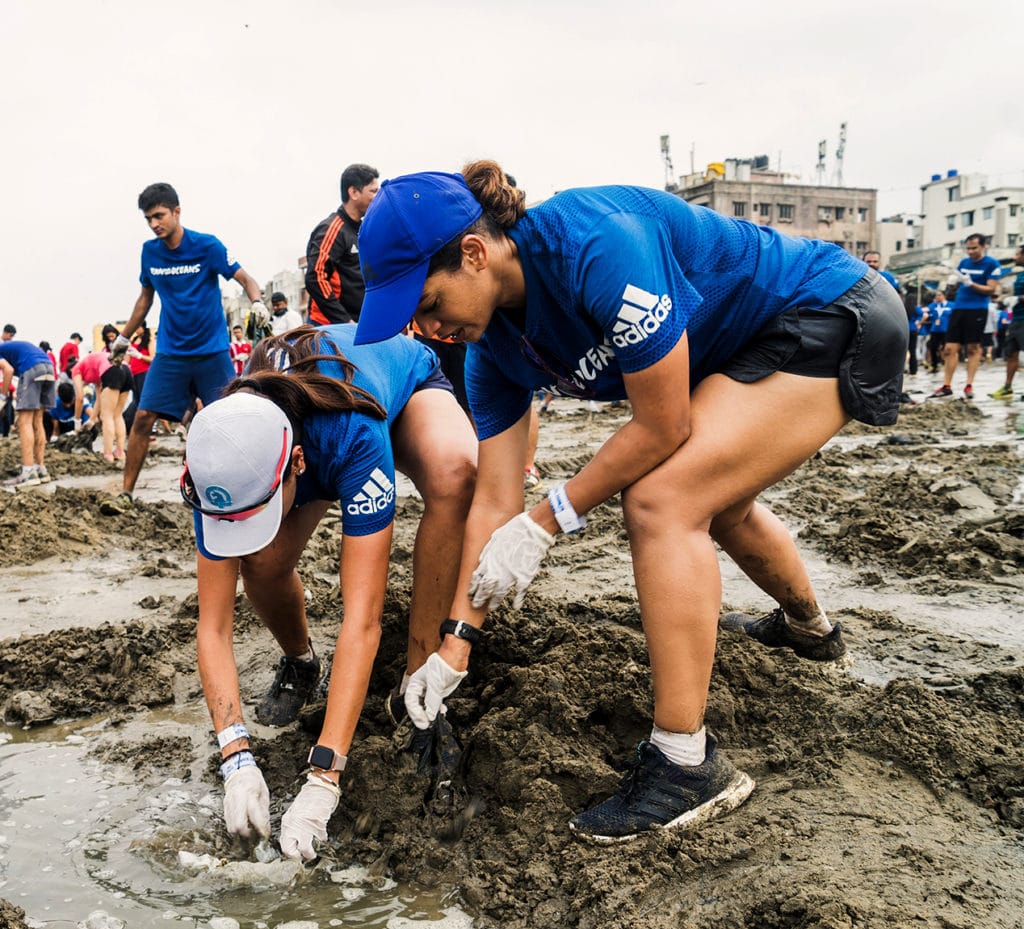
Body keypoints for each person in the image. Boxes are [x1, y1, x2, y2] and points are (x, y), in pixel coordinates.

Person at [353, 162, 907, 843]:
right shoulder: (493, 351)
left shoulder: (597, 242)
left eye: (429, 304)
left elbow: (663, 422)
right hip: (739, 350)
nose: (427, 326)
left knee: (661, 500)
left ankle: (685, 764)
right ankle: (810, 633)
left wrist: (550, 517)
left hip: (829, 311)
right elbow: (495, 499)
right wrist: (454, 645)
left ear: (474, 253)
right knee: (718, 501)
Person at [182, 324, 475, 859]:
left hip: (395, 389)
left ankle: (417, 682)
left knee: (455, 473)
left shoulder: (352, 436)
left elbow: (361, 618)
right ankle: (299, 662)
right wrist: (235, 756)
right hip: (294, 435)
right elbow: (213, 625)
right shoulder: (219, 456)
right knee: (264, 562)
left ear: (298, 466)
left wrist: (324, 777)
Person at [99, 182, 267, 514]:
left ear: (177, 211)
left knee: (231, 420)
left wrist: (258, 303)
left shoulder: (207, 246)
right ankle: (126, 493)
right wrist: (123, 338)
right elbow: (145, 300)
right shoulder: (150, 252)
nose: (154, 224)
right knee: (144, 416)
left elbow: (245, 279)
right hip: (171, 353)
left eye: (159, 215)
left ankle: (251, 490)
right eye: (148, 219)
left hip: (212, 351)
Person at [929, 234, 1003, 399]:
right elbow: (955, 283)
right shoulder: (964, 263)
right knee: (949, 348)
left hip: (978, 309)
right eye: (968, 248)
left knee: (973, 348)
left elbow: (991, 289)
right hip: (959, 307)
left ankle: (969, 385)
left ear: (983, 246)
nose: (970, 252)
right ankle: (947, 385)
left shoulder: (992, 264)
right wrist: (953, 282)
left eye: (974, 248)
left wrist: (972, 284)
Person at [305, 164, 380, 325]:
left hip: (359, 324)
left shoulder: (363, 230)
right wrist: (344, 321)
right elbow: (315, 277)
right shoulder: (331, 229)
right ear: (353, 192)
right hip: (330, 327)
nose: (378, 197)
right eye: (373, 191)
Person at [0, 339, 57, 486]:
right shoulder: (8, 348)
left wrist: (2, 396)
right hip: (49, 368)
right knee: (37, 421)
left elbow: (8, 370)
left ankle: (28, 473)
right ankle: (40, 469)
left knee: (24, 422)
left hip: (32, 368)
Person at [71, 349, 132, 464]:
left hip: (112, 370)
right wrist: (92, 418)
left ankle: (108, 454)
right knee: (117, 415)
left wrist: (77, 423)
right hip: (126, 369)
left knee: (107, 416)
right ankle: (120, 451)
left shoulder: (76, 370)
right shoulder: (94, 367)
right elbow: (100, 396)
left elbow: (79, 397)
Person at [989, 245, 1024, 399]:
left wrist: (1019, 299)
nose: (1015, 257)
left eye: (1018, 254)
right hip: (1016, 320)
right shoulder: (1020, 274)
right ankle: (1008, 387)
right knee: (1011, 353)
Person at [123, 325, 154, 433]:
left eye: (138, 327)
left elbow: (153, 358)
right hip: (133, 374)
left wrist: (140, 355)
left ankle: (144, 427)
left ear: (143, 327)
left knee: (142, 400)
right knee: (136, 400)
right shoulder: (134, 341)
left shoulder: (149, 340)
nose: (136, 330)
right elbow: (127, 359)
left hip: (144, 373)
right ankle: (129, 424)